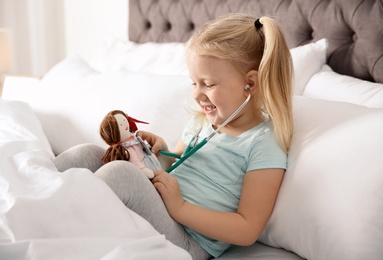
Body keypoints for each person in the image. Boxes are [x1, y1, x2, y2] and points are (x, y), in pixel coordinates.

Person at [53, 13, 293, 260]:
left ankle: (57, 224)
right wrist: (158, 153)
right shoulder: (201, 123)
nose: (197, 94)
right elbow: (175, 168)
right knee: (89, 153)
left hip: (188, 239)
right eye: (193, 83)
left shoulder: (263, 144)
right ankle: (34, 188)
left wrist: (180, 208)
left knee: (119, 174)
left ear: (250, 84)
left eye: (208, 84)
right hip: (163, 211)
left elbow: (247, 229)